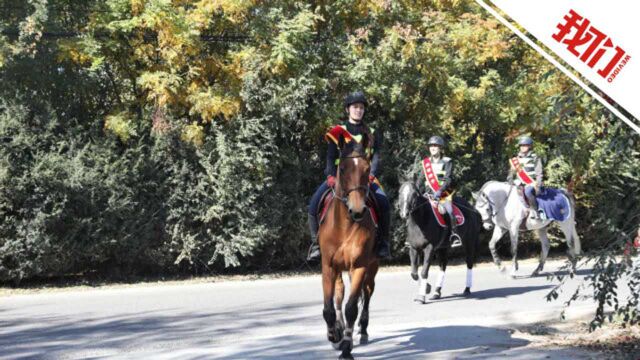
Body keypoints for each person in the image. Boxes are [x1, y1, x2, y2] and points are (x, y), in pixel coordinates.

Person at [306, 91, 391, 261]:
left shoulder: (372, 132)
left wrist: (372, 174)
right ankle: (316, 244)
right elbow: (330, 156)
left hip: (365, 179)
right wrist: (330, 175)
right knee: (313, 204)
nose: (358, 110)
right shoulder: (337, 131)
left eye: (361, 107)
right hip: (339, 178)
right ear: (348, 110)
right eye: (355, 107)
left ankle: (382, 243)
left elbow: (376, 157)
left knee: (384, 203)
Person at [415, 135, 462, 248]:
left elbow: (448, 178)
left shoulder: (447, 161)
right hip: (428, 193)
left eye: (435, 146)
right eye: (431, 146)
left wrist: (439, 192)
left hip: (445, 192)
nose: (433, 148)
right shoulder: (426, 163)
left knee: (447, 209)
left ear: (441, 148)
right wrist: (416, 190)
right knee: (414, 208)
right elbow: (421, 179)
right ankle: (412, 236)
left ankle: (454, 235)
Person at [507, 136, 544, 219]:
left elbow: (539, 172)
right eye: (521, 145)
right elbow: (511, 172)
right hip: (518, 182)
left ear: (529, 146)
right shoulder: (515, 159)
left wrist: (538, 184)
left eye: (525, 145)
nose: (523, 147)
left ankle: (536, 211)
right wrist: (509, 180)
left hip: (531, 183)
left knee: (527, 192)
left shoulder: (535, 157)